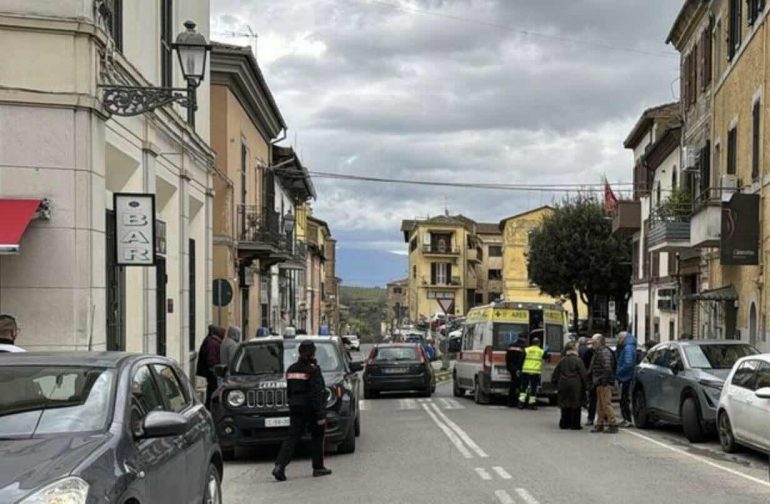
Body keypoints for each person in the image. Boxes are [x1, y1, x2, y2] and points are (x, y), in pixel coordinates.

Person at [273, 340, 332, 481]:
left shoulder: (291, 369)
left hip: (296, 407)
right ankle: (318, 467)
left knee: (292, 437)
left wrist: (292, 403)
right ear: (312, 353)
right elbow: (316, 393)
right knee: (317, 436)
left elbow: (289, 390)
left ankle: (279, 466)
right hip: (310, 408)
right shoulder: (313, 370)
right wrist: (320, 414)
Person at [552, 341, 588, 430]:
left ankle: (564, 423)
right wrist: (586, 385)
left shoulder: (563, 360)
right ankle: (575, 424)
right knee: (575, 404)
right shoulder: (578, 360)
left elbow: (555, 373)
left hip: (563, 384)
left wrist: (555, 383)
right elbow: (583, 374)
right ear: (574, 349)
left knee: (564, 404)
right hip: (575, 384)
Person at [590, 334, 617, 433]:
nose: (592, 344)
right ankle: (600, 424)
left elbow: (607, 368)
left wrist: (603, 381)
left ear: (598, 342)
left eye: (594, 342)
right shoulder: (601, 352)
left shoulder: (604, 352)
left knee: (606, 404)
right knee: (600, 405)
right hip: (601, 382)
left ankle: (612, 424)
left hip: (604, 383)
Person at [196, 325, 224, 409]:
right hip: (212, 371)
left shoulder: (211, 341)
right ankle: (210, 406)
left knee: (212, 388)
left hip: (210, 370)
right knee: (213, 388)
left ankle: (210, 405)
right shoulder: (212, 343)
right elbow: (211, 359)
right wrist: (214, 369)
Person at [615, 331, 637, 428]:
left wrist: (619, 372)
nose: (618, 340)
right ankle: (626, 419)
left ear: (623, 338)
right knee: (624, 399)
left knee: (624, 399)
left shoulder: (628, 348)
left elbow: (628, 363)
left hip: (625, 377)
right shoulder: (629, 346)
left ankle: (627, 419)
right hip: (626, 377)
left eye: (619, 338)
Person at [518, 336, 545, 410]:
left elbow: (521, 360)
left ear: (532, 343)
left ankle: (521, 403)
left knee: (523, 387)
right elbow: (547, 357)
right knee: (533, 388)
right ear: (539, 343)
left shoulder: (527, 350)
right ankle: (531, 404)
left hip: (526, 371)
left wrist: (519, 369)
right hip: (535, 372)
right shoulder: (541, 351)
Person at [505, 337, 526, 408]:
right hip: (518, 368)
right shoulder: (522, 347)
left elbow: (507, 357)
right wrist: (519, 368)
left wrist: (508, 366)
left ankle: (510, 402)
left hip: (511, 367)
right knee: (519, 385)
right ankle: (517, 402)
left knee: (512, 384)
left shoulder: (510, 346)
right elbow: (521, 359)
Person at [581, 337, 597, 426]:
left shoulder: (589, 352)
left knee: (594, 400)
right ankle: (592, 418)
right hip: (593, 379)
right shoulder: (589, 353)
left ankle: (592, 418)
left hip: (594, 378)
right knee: (594, 400)